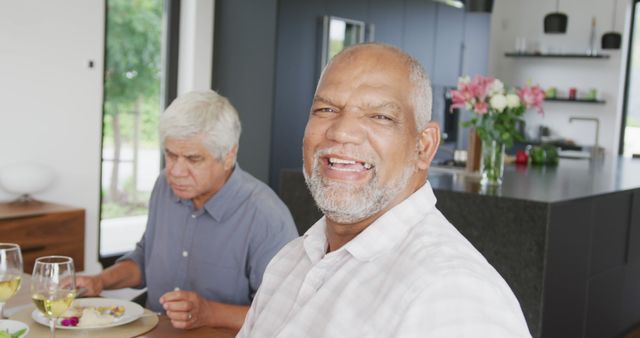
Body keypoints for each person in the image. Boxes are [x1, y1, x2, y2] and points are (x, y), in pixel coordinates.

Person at [237, 43, 531, 337]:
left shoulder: (452, 295)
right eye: (326, 109)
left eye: (380, 116)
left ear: (423, 146)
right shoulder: (292, 259)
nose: (341, 131)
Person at [77, 90, 298, 330]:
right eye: (171, 155)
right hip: (154, 329)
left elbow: (282, 316)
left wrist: (208, 313)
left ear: (228, 155)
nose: (176, 171)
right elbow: (145, 258)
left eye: (193, 159)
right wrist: (99, 281)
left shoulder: (266, 216)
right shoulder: (164, 185)